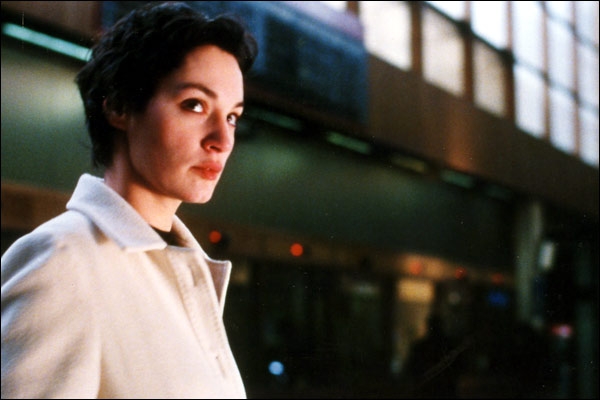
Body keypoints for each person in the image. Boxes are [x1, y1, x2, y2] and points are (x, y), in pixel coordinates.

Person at [1, 2, 258, 398]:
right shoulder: (63, 263)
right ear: (119, 106)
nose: (222, 141)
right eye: (194, 104)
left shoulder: (179, 269)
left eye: (231, 117)